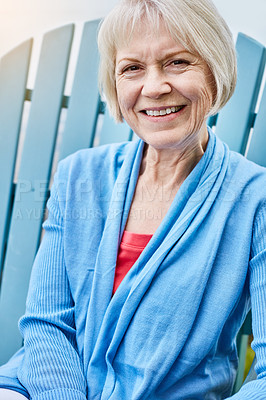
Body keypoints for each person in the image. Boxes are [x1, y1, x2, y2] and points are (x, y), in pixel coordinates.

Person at [0, 0, 265, 398]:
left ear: (215, 72)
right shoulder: (79, 176)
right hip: (41, 388)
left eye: (177, 62)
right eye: (132, 68)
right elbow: (47, 325)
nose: (154, 87)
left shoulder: (255, 200)